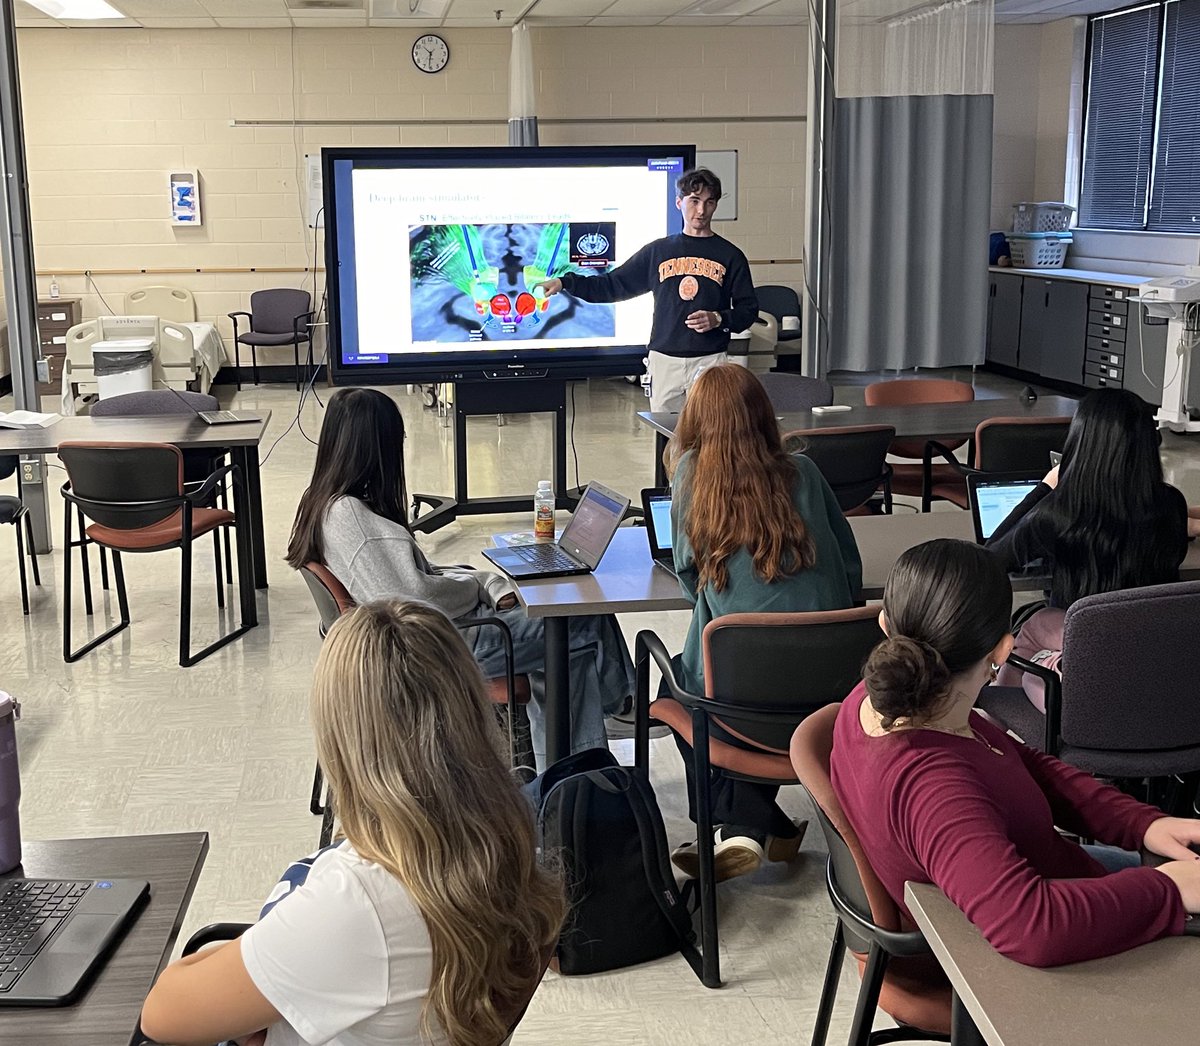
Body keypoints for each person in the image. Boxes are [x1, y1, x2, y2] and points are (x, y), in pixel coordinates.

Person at [140, 600, 566, 1045]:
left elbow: (161, 1014)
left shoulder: (358, 904)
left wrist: (262, 966)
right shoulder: (508, 842)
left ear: (343, 739)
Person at [831, 538, 1200, 968]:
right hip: (1025, 948)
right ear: (1004, 650)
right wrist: (1169, 889)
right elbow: (1029, 928)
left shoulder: (889, 698)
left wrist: (1143, 824)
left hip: (1034, 889)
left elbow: (1014, 760)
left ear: (886, 627)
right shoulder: (936, 787)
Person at [284, 387, 635, 769]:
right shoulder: (356, 521)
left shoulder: (326, 503)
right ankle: (621, 708)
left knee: (571, 652)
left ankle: (573, 771)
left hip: (417, 639)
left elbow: (412, 578)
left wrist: (480, 580)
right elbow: (416, 597)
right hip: (433, 649)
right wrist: (475, 587)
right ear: (376, 448)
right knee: (579, 618)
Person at [664, 365, 863, 881]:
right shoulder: (806, 473)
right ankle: (760, 826)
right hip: (832, 689)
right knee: (756, 670)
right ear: (762, 413)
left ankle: (734, 826)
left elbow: (688, 575)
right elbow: (849, 563)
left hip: (740, 700)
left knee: (684, 688)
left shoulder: (690, 473)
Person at [986, 387, 1196, 709]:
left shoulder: (1059, 513)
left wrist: (1044, 488)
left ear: (1081, 443)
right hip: (1157, 659)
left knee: (1031, 627)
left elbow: (990, 557)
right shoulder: (1171, 505)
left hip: (1085, 669)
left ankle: (995, 726)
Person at [533, 167, 759, 414]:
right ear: (679, 202)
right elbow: (612, 285)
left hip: (710, 360)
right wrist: (566, 283)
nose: (701, 210)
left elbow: (748, 310)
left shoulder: (730, 256)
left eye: (709, 202)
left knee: (711, 434)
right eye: (694, 201)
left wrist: (719, 318)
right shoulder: (658, 252)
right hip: (664, 361)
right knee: (667, 438)